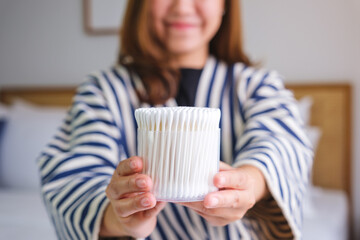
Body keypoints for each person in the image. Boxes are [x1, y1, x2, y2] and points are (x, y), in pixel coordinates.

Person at [38, 0, 313, 239]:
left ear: (224, 3)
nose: (182, 7)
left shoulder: (257, 86)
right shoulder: (103, 92)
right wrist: (118, 217)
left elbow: (282, 144)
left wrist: (247, 184)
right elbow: (75, 175)